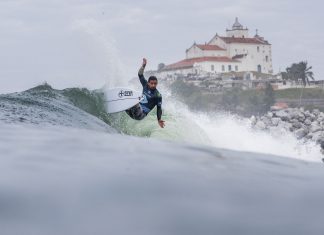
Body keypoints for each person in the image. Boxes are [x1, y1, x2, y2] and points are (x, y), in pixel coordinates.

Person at [126, 58, 165, 128]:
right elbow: (140, 74)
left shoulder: (158, 95)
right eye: (152, 83)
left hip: (140, 115)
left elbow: (159, 108)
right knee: (130, 97)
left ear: (157, 83)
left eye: (155, 83)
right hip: (132, 112)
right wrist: (143, 66)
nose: (153, 85)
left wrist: (159, 119)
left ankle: (131, 105)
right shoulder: (145, 85)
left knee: (135, 99)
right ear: (148, 83)